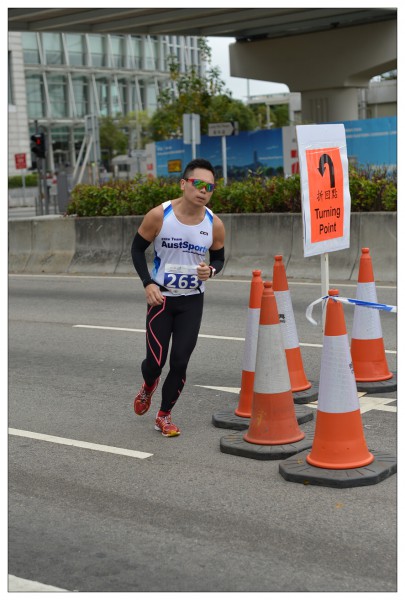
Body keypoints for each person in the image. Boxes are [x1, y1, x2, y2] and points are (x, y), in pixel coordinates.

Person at [131, 158, 226, 437]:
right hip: (161, 299)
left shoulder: (214, 224)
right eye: (198, 184)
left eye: (210, 187)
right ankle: (149, 385)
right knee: (155, 364)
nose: (203, 190)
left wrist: (211, 270)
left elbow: (219, 258)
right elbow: (136, 250)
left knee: (180, 362)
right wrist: (148, 283)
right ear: (183, 184)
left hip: (192, 301)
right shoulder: (160, 216)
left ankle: (164, 415)